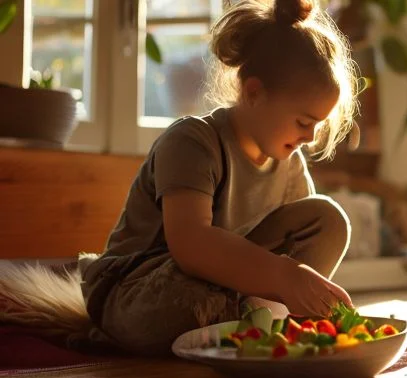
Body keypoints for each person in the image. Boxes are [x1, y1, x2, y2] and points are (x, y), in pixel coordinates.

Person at [0, 0, 360, 357]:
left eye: (318, 125)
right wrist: (283, 276)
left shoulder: (290, 165)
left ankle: (248, 322)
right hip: (143, 286)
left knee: (328, 219)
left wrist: (300, 284)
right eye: (303, 122)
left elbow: (298, 243)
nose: (311, 137)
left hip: (227, 289)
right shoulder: (193, 141)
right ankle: (240, 321)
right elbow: (191, 245)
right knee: (187, 297)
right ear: (254, 93)